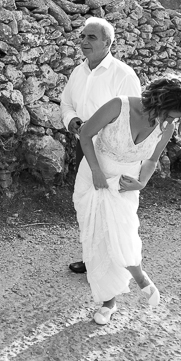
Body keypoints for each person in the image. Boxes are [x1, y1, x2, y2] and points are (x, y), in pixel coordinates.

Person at [74, 73, 181, 325]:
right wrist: (97, 171)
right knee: (98, 236)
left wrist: (141, 183)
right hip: (94, 175)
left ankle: (140, 277)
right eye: (168, 114)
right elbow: (85, 134)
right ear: (158, 101)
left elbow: (152, 159)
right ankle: (109, 302)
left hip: (125, 184)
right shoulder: (117, 106)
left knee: (123, 231)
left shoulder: (168, 125)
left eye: (175, 118)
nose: (169, 121)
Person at [60, 17, 142, 275]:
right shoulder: (78, 71)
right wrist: (71, 120)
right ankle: (91, 259)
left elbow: (134, 117)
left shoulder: (124, 75)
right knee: (87, 205)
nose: (83, 42)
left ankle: (118, 264)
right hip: (83, 147)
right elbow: (66, 103)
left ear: (108, 42)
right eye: (82, 36)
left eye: (91, 37)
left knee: (113, 209)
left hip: (112, 153)